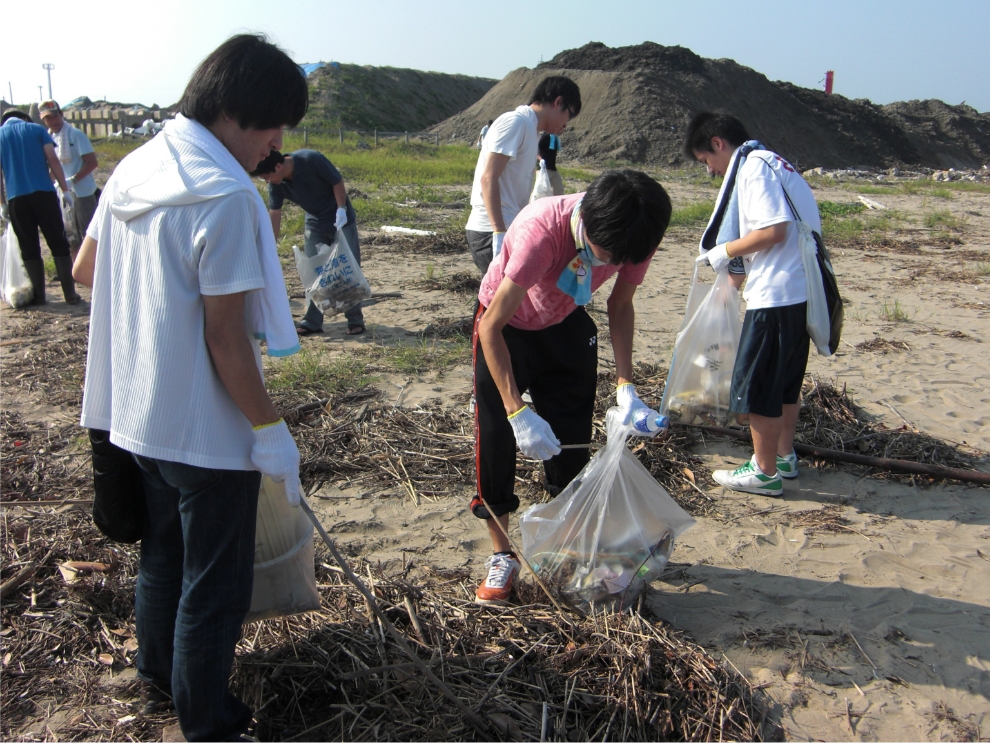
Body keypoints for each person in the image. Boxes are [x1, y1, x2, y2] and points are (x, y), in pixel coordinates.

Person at [72, 34, 308, 741]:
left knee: (162, 559)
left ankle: (154, 678)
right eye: (272, 127)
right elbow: (226, 339)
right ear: (241, 111)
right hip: (207, 432)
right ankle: (207, 720)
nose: (272, 147)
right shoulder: (227, 195)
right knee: (214, 586)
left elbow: (86, 271)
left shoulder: (135, 168)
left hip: (137, 416)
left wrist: (148, 321)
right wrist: (271, 431)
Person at [471, 169, 672, 604]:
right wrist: (517, 410)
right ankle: (503, 554)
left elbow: (621, 304)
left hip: (564, 321)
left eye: (624, 259)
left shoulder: (637, 231)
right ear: (589, 227)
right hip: (508, 327)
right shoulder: (540, 234)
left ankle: (566, 546)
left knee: (571, 440)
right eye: (608, 255)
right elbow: (490, 327)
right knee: (497, 438)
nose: (614, 263)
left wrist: (626, 387)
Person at [684, 111, 820, 496]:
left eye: (706, 161)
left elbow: (773, 231)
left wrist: (722, 251)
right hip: (800, 293)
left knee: (760, 383)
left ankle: (763, 471)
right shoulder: (777, 162)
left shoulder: (754, 169)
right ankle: (784, 456)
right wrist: (731, 283)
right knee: (785, 383)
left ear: (717, 144)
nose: (710, 171)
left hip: (776, 295)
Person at [465, 77, 581, 275]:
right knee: (504, 300)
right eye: (568, 116)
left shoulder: (532, 129)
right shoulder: (516, 122)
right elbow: (488, 178)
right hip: (489, 230)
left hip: (508, 226)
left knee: (503, 301)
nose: (565, 125)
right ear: (558, 102)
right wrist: (499, 234)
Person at [253, 149, 365, 335]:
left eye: (267, 176)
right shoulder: (277, 184)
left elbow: (336, 181)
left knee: (349, 268)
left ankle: (355, 320)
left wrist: (341, 209)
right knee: (314, 273)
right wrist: (271, 244)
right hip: (314, 224)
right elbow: (275, 213)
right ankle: (312, 321)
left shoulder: (311, 159)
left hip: (341, 220)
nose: (267, 181)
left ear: (278, 166)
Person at [0, 108, 79, 305]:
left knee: (29, 247)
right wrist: (65, 190)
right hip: (44, 194)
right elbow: (53, 160)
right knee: (57, 242)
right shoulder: (36, 129)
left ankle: (39, 297)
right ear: (25, 118)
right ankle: (70, 294)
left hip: (17, 198)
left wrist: (2, 204)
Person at [39, 99, 99, 253]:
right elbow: (53, 165)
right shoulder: (49, 138)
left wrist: (73, 180)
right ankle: (77, 270)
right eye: (48, 118)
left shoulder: (75, 134)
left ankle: (93, 271)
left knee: (88, 233)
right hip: (63, 192)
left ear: (61, 114)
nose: (53, 121)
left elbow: (92, 162)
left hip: (82, 191)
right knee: (70, 234)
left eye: (55, 116)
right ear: (43, 120)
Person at [537, 132, 565, 196]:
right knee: (542, 192)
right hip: (544, 169)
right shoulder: (546, 136)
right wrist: (541, 160)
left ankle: (558, 204)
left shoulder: (555, 139)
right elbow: (536, 149)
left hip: (553, 168)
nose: (561, 129)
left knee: (559, 190)